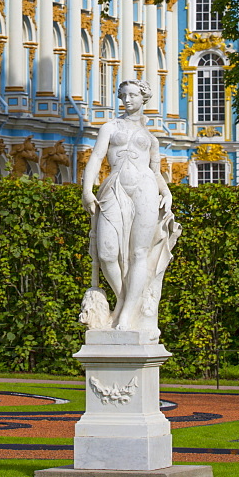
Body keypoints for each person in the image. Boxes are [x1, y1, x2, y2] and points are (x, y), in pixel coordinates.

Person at [81, 79, 180, 336]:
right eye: (123, 95)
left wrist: (167, 193)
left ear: (143, 98)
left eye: (133, 95)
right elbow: (95, 158)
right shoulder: (110, 127)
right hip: (114, 188)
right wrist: (86, 191)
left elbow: (156, 173)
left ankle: (125, 314)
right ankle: (124, 299)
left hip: (145, 189)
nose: (127, 100)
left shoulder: (151, 138)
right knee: (107, 254)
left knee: (139, 254)